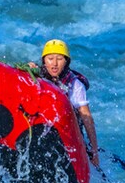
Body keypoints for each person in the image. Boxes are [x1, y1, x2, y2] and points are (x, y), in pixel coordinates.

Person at [30, 39, 100, 169]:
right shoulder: (35, 74)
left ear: (66, 62)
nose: (55, 64)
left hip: (68, 132)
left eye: (60, 59)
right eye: (50, 58)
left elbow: (86, 116)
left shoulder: (75, 85)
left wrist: (94, 150)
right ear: (44, 61)